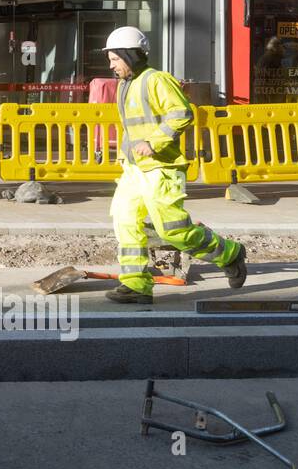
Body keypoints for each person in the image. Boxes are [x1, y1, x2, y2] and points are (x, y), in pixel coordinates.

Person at [104, 26, 247, 305]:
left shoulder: (156, 80)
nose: (111, 65)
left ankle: (230, 253)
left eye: (115, 59)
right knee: (125, 222)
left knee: (172, 230)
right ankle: (135, 285)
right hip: (135, 170)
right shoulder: (125, 85)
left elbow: (182, 113)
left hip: (161, 167)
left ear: (130, 56)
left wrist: (154, 142)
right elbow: (131, 128)